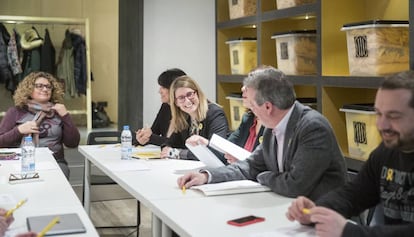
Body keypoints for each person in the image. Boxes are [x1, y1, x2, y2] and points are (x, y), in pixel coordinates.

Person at [177, 65, 346, 200]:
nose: (250, 110)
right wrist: (206, 176)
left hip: (324, 219)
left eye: (252, 105)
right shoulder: (274, 126)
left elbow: (295, 185)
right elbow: (249, 166)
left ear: (267, 107)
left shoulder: (312, 127)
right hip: (288, 208)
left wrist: (263, 176)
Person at [286, 70, 414, 237]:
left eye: (394, 116)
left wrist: (349, 231)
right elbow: (353, 194)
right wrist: (317, 210)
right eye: (379, 114)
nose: (381, 125)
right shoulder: (385, 152)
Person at [0, 71, 80, 179]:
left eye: (48, 87)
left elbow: (73, 143)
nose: (45, 89)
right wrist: (19, 130)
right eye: (39, 86)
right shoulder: (15, 112)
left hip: (55, 162)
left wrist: (65, 116)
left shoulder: (58, 112)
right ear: (29, 89)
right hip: (20, 162)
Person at [160, 75, 229, 162]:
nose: (187, 101)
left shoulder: (215, 114)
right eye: (181, 98)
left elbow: (217, 152)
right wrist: (166, 148)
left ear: (198, 93)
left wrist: (178, 153)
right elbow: (170, 143)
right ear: (176, 102)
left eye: (190, 94)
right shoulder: (184, 117)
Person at [135, 68, 186, 146]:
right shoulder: (166, 106)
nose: (159, 91)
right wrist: (142, 137)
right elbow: (154, 132)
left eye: (163, 87)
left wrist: (150, 137)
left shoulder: (187, 110)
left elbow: (180, 144)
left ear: (174, 89)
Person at [224, 85, 264, 163]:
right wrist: (207, 143)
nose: (242, 88)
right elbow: (228, 145)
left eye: (249, 85)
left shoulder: (274, 125)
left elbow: (267, 165)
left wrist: (241, 162)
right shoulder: (248, 119)